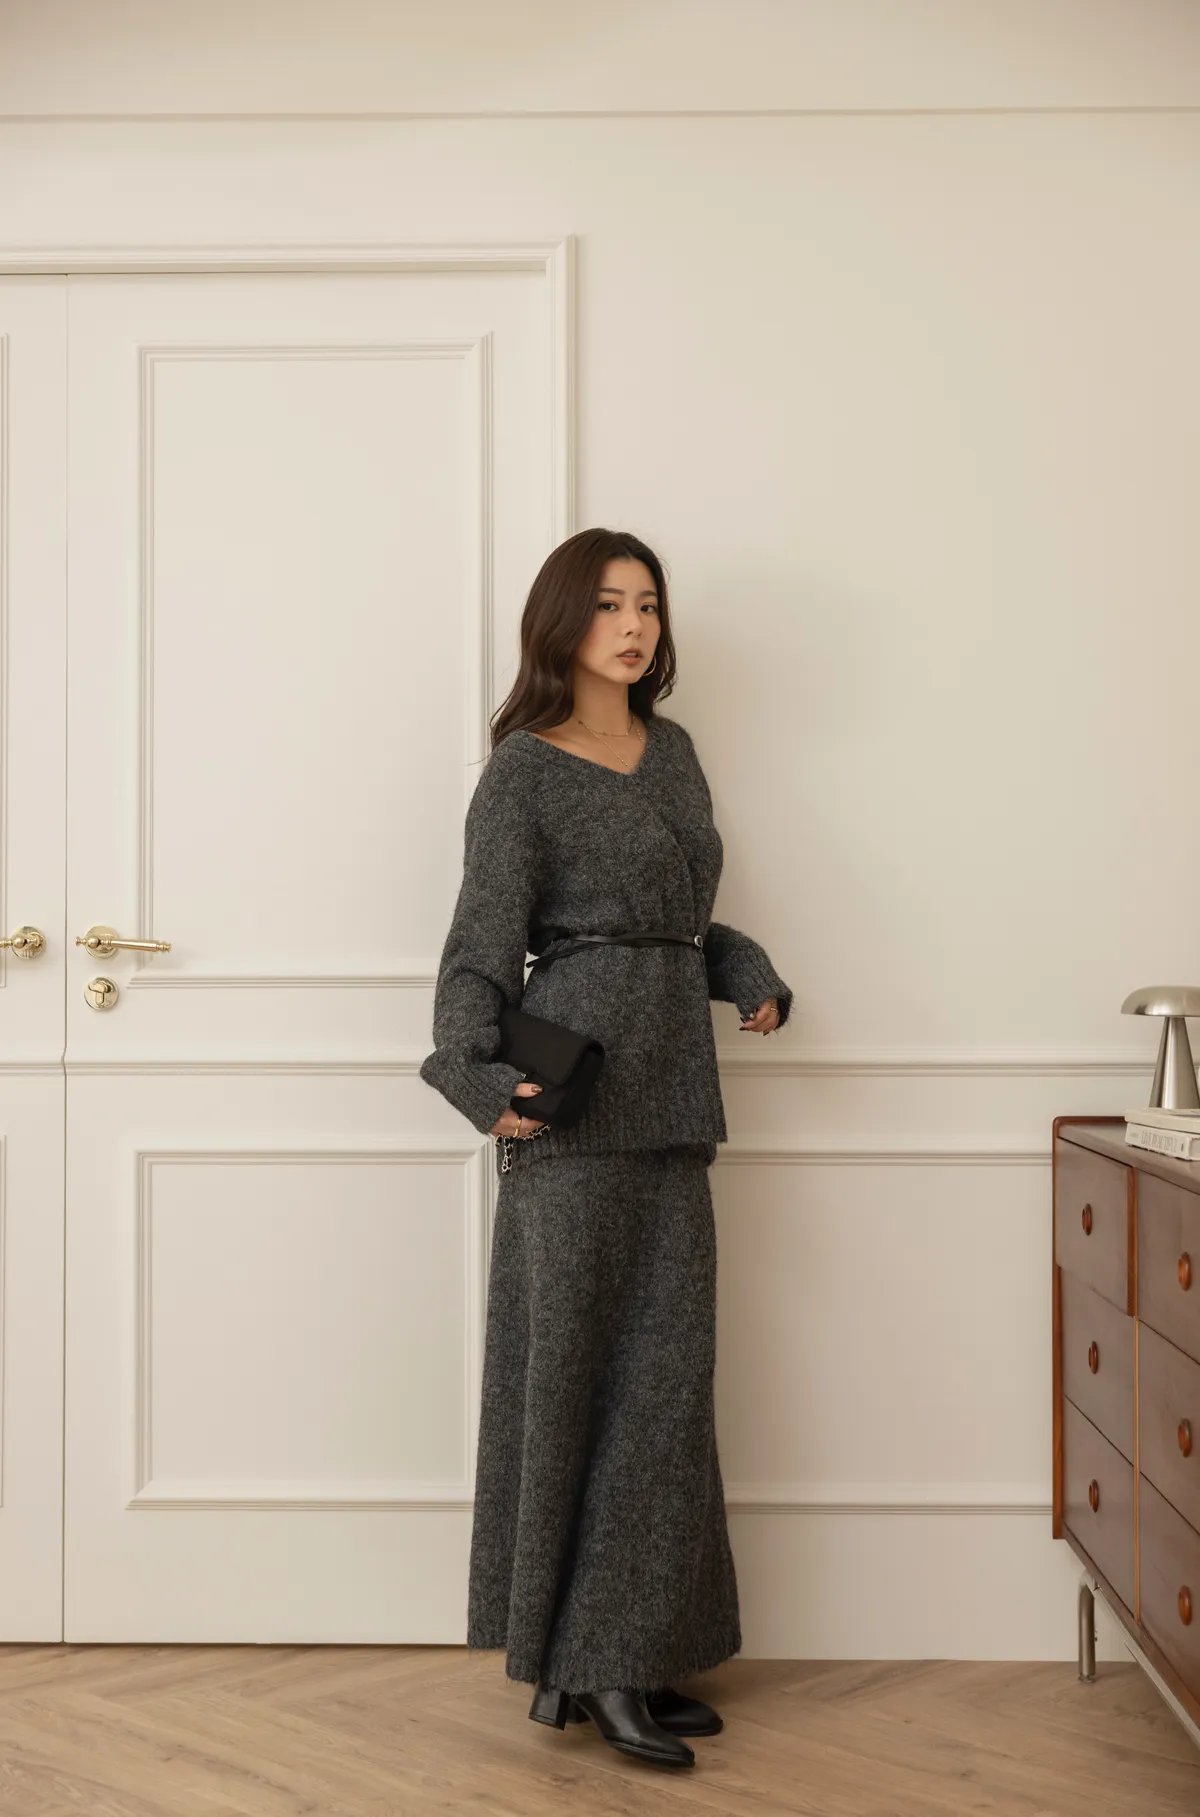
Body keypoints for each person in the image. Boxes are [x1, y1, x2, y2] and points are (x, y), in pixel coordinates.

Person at [419, 527, 792, 1771]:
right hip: (570, 1117)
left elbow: (680, 923)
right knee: (579, 1383)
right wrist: (478, 1081)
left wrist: (746, 969)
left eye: (649, 605)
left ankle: (639, 1648)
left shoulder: (672, 752)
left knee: (667, 1390)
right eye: (610, 605)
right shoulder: (522, 773)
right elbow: (480, 947)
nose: (633, 626)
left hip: (674, 1106)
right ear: (563, 622)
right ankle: (590, 1664)